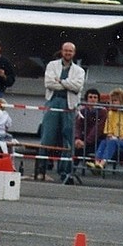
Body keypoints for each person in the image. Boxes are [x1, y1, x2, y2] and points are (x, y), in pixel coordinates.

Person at [40, 42, 86, 184]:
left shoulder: (79, 71)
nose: (67, 53)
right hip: (53, 102)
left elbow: (77, 87)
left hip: (69, 105)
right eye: (65, 50)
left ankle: (64, 171)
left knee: (68, 139)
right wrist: (67, 84)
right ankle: (41, 169)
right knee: (47, 136)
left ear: (74, 53)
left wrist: (61, 81)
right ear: (61, 51)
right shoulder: (52, 65)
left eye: (70, 51)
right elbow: (49, 83)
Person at [89, 88, 123, 170]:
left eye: (115, 100)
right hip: (114, 141)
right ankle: (96, 163)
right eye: (111, 100)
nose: (112, 103)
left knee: (112, 142)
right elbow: (108, 132)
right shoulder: (111, 114)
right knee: (104, 142)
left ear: (122, 101)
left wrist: (117, 139)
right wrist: (112, 137)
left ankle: (102, 163)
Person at [74, 88, 108, 162]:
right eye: (90, 97)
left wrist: (86, 142)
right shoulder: (82, 111)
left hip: (97, 140)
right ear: (87, 99)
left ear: (98, 100)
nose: (93, 99)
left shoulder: (103, 112)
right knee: (74, 147)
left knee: (83, 150)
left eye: (95, 97)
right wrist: (77, 138)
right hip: (83, 138)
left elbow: (98, 129)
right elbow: (78, 126)